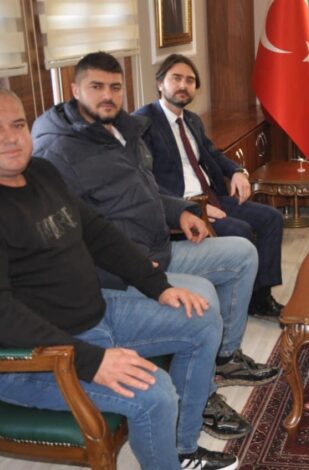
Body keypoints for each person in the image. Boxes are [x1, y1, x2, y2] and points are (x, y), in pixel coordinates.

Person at [30, 52, 279, 440]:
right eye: (96, 86)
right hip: (122, 270)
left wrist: (181, 211)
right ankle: (200, 397)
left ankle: (225, 358)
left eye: (115, 87)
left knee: (242, 253)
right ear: (74, 89)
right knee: (202, 300)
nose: (108, 95)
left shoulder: (123, 130)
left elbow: (147, 191)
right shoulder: (57, 152)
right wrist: (136, 266)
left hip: (161, 246)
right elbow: (72, 234)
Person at [0, 89, 237, 469]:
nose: (11, 139)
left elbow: (98, 233)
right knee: (155, 392)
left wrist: (158, 286)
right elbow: (4, 316)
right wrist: (91, 361)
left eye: (17, 125)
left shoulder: (42, 172)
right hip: (41, 357)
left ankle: (182, 450)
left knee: (203, 318)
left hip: (98, 312)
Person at [134, 54, 285, 318]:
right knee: (241, 231)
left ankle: (260, 298)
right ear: (159, 83)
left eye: (190, 80)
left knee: (272, 218)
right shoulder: (143, 123)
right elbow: (146, 181)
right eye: (176, 78)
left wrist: (237, 171)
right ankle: (237, 300)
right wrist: (193, 208)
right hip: (182, 208)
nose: (183, 85)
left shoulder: (192, 120)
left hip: (212, 197)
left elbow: (213, 154)